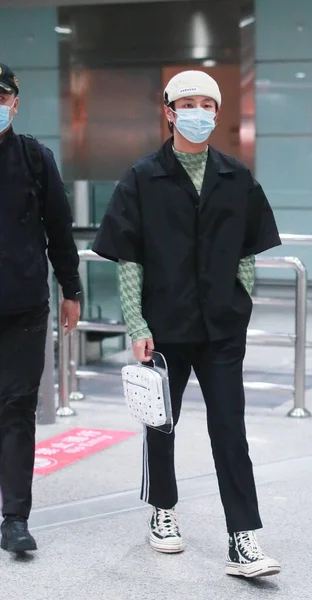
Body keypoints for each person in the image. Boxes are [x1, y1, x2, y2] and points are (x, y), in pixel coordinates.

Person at [93, 70, 281, 578]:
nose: (199, 113)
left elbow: (248, 250)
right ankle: (163, 511)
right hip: (165, 326)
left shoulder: (235, 177)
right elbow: (127, 257)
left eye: (207, 104)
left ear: (217, 113)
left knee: (230, 430)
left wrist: (241, 303)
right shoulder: (142, 177)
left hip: (221, 328)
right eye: (188, 104)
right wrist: (135, 324)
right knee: (161, 424)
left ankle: (244, 537)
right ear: (170, 112)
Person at [0, 63, 81, 553]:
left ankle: (14, 519)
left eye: (1, 95)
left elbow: (60, 227)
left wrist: (71, 288)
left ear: (14, 102)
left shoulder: (34, 157)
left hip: (25, 306)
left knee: (16, 409)